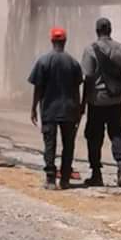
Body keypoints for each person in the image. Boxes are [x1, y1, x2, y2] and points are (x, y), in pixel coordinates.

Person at [82, 17, 121, 188]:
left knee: (94, 136)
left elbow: (88, 79)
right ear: (110, 30)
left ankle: (96, 173)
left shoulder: (90, 50)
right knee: (117, 133)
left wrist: (83, 103)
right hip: (117, 99)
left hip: (97, 101)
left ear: (97, 31)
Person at [28, 27, 83, 190]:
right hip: (69, 110)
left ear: (52, 41)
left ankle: (50, 179)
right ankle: (65, 179)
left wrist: (33, 107)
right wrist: (79, 109)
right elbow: (77, 88)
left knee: (50, 144)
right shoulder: (73, 62)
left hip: (49, 111)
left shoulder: (43, 61)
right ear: (65, 42)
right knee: (68, 145)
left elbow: (38, 88)